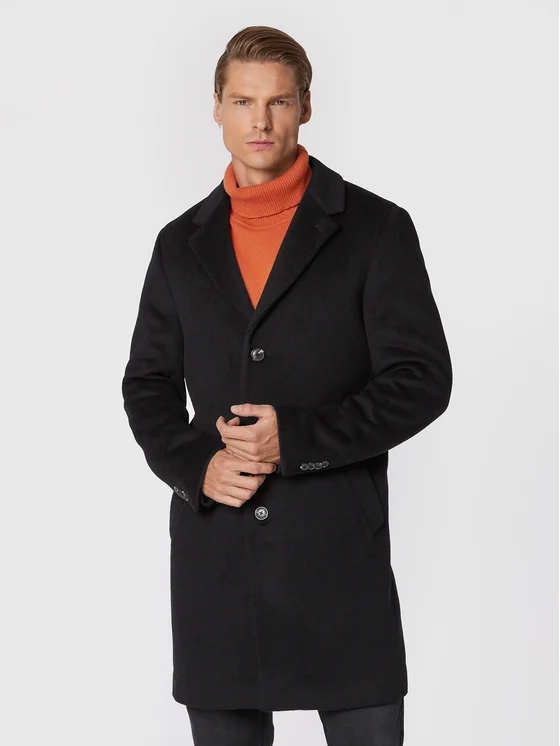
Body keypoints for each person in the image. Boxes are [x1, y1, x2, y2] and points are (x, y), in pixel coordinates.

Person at [122, 24, 452, 746]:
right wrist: (196, 466)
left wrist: (295, 440)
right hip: (218, 561)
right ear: (216, 107)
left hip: (339, 558)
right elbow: (147, 384)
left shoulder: (376, 229)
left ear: (305, 106)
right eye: (243, 102)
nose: (261, 122)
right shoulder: (178, 245)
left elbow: (422, 378)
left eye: (278, 101)